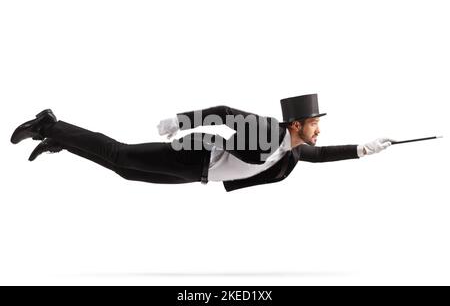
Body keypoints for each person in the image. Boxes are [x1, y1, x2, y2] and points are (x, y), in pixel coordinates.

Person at [10, 94, 394, 192]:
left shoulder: (292, 150)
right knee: (120, 155)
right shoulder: (268, 130)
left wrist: (364, 149)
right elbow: (225, 112)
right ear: (296, 123)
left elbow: (323, 155)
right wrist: (181, 121)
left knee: (124, 171)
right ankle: (51, 126)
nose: (317, 132)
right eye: (314, 124)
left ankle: (61, 141)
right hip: (193, 155)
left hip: (200, 174)